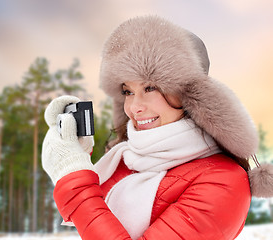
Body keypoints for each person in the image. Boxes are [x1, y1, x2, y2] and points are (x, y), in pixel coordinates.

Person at [41, 15, 273, 240]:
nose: (134, 107)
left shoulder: (225, 183)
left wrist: (72, 176)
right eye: (127, 91)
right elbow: (87, 220)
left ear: (190, 94)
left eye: (150, 88)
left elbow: (85, 207)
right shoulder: (128, 157)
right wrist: (76, 159)